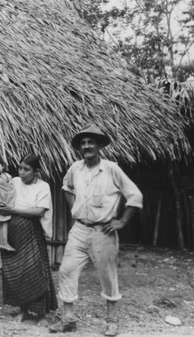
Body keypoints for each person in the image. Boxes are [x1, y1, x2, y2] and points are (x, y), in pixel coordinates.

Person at [49, 125, 143, 337]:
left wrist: (121, 222)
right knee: (66, 270)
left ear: (100, 145)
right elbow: (66, 187)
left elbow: (135, 196)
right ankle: (69, 319)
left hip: (104, 232)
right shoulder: (75, 168)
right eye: (83, 143)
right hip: (79, 229)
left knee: (108, 275)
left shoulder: (112, 169)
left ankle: (112, 321)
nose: (87, 146)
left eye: (91, 142)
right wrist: (75, 209)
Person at [0, 154, 57, 323]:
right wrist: (1, 205)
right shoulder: (14, 182)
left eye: (27, 169)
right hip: (13, 231)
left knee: (35, 271)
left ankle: (41, 315)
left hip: (31, 231)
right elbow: (1, 196)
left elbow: (39, 211)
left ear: (36, 171)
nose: (22, 172)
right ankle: (23, 310)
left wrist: (12, 210)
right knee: (17, 272)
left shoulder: (43, 186)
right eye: (20, 168)